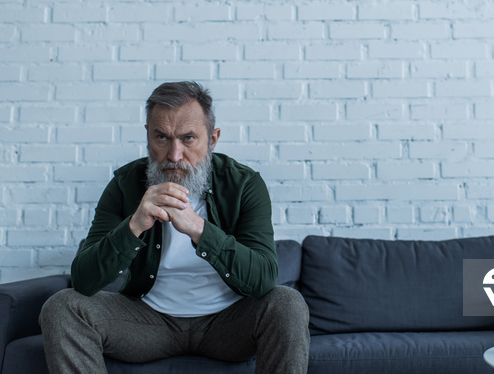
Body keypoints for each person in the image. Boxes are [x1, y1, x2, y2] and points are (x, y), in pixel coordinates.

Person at [39, 81, 310, 374]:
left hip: (229, 324)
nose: (174, 155)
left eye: (189, 138)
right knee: (62, 307)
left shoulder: (244, 184)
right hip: (147, 322)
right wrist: (134, 226)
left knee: (287, 303)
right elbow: (84, 280)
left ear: (213, 139)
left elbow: (264, 278)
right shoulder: (124, 184)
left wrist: (199, 229)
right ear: (148, 136)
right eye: (162, 138)